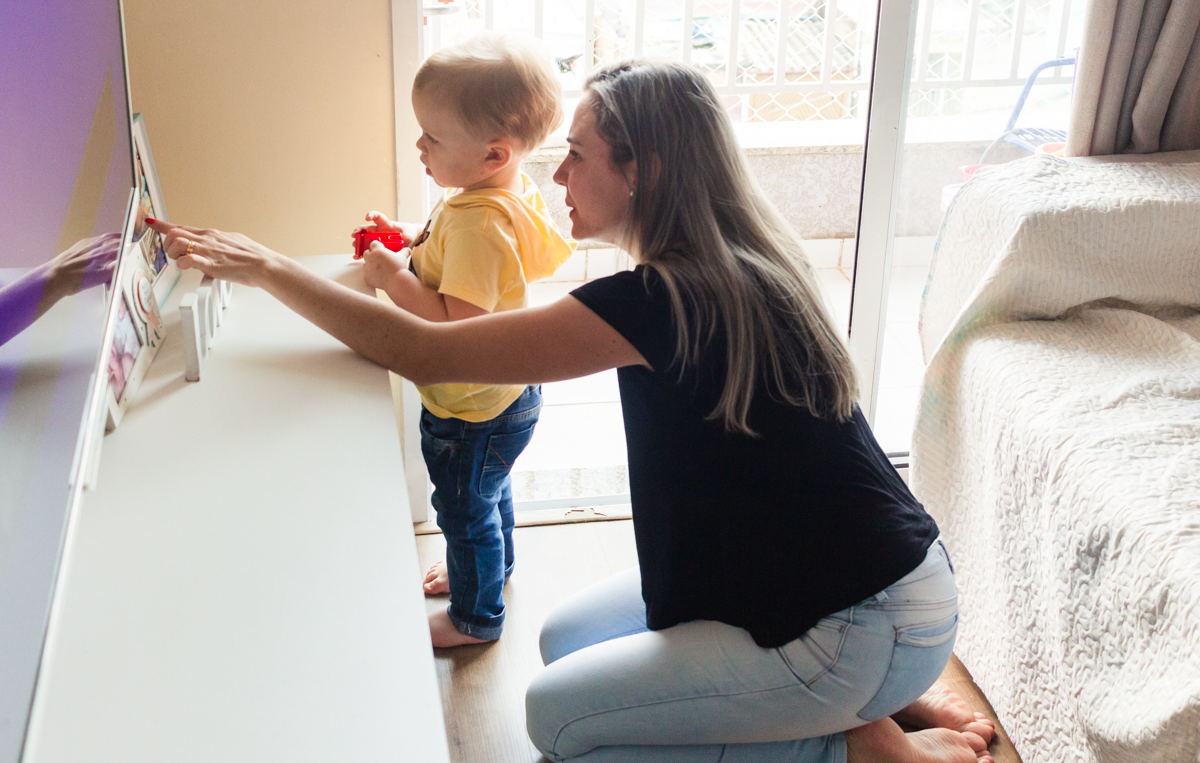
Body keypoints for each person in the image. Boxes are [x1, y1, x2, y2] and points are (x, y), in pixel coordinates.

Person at [152, 58, 995, 762]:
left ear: (645, 171)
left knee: (559, 721)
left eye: (578, 156)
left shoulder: (660, 302)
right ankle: (871, 708)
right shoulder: (742, 258)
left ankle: (858, 747)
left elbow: (424, 351)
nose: (555, 175)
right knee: (563, 639)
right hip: (862, 582)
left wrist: (266, 267)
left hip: (862, 618)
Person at [355, 32, 574, 647]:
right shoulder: (499, 196)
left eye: (433, 136)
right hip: (505, 397)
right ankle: (488, 568)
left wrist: (393, 277)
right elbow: (456, 253)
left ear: (493, 154)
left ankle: (474, 619)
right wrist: (407, 239)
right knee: (489, 491)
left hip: (470, 408)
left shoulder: (477, 224)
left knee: (462, 509)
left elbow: (456, 325)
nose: (419, 145)